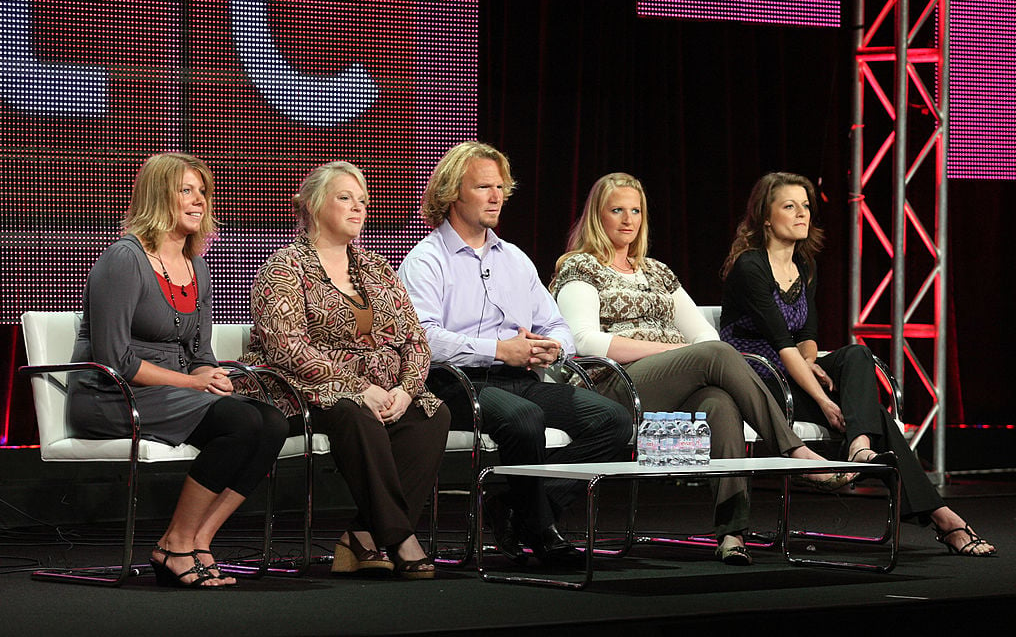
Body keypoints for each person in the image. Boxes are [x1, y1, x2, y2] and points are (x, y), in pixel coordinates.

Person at [550, 172, 849, 566]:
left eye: (635, 210)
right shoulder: (581, 269)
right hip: (612, 389)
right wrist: (667, 349)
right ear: (596, 217)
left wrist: (681, 353)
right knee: (717, 355)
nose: (628, 219)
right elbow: (585, 343)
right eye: (616, 210)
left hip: (668, 384)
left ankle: (732, 533)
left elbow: (703, 334)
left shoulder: (657, 272)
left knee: (720, 401)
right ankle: (792, 450)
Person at [720, 171, 995, 557]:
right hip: (758, 379)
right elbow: (782, 345)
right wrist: (825, 399)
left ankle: (861, 446)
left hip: (793, 371)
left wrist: (812, 362)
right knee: (877, 415)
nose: (802, 214)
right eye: (789, 206)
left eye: (805, 206)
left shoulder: (804, 266)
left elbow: (807, 337)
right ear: (765, 217)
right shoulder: (751, 266)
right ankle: (943, 517)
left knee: (856, 353)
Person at [397, 141, 633, 567]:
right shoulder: (426, 260)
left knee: (613, 419)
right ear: (452, 193)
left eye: (501, 188)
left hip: (522, 379)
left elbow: (558, 325)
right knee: (524, 418)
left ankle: (516, 503)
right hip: (455, 384)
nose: (495, 197)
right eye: (483, 187)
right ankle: (541, 531)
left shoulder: (515, 260)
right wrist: (499, 350)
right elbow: (423, 340)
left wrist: (552, 347)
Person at [67, 153, 289, 588]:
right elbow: (116, 361)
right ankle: (175, 541)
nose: (199, 201)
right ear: (157, 197)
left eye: (202, 191)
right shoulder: (123, 259)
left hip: (172, 393)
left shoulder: (196, 267)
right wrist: (193, 381)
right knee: (241, 422)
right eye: (186, 191)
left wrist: (213, 377)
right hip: (112, 396)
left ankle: (197, 540)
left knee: (271, 422)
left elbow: (201, 353)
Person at [246, 161, 448, 580]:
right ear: (315, 205)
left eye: (363, 201)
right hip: (306, 387)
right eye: (345, 198)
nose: (358, 208)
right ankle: (400, 538)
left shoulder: (376, 268)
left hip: (385, 386)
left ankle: (363, 535)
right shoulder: (284, 267)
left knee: (432, 414)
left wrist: (407, 391)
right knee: (356, 416)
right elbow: (286, 346)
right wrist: (357, 387)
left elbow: (414, 339)